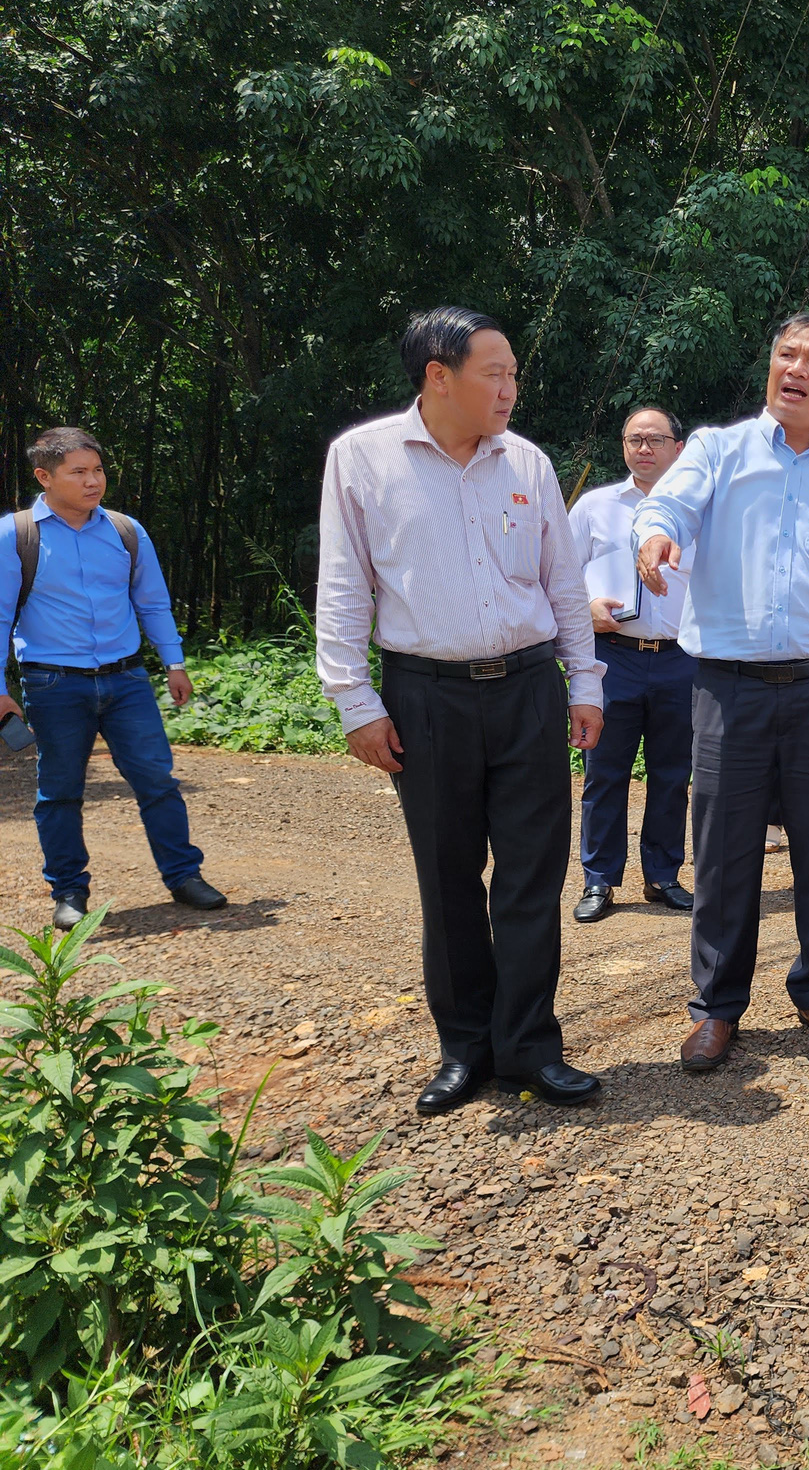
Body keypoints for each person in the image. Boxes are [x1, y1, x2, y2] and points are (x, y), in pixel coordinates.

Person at [317, 306, 607, 1116]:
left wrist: (585, 685)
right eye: (495, 373)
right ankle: (465, 1049)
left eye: (514, 373)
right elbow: (344, 589)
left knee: (529, 877)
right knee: (447, 879)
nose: (511, 389)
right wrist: (355, 702)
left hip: (525, 691)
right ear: (437, 375)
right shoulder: (363, 461)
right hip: (424, 696)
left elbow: (563, 587)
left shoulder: (529, 463)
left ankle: (529, 1048)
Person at [635, 313, 809, 1072]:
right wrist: (652, 536)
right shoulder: (717, 452)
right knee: (722, 853)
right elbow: (669, 506)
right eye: (785, 353)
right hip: (729, 689)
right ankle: (717, 1007)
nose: (796, 367)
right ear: (770, 369)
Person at [0, 427, 228, 928]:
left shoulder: (125, 529)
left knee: (157, 782)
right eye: (77, 472)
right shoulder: (16, 535)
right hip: (54, 684)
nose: (93, 481)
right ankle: (69, 893)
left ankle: (184, 877)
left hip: (127, 682)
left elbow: (152, 601)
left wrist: (174, 663)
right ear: (44, 476)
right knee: (59, 791)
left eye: (97, 469)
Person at [569, 407, 697, 922]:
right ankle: (599, 880)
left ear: (679, 449)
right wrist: (584, 612)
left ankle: (663, 875)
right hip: (611, 659)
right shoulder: (594, 509)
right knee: (605, 772)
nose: (644, 448)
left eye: (655, 439)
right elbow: (554, 578)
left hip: (681, 661)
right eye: (634, 439)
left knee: (673, 774)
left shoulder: (698, 514)